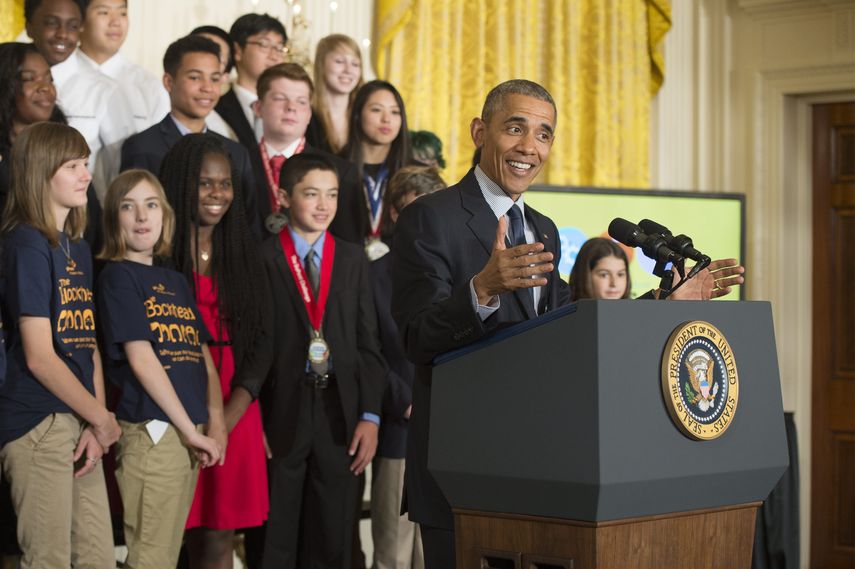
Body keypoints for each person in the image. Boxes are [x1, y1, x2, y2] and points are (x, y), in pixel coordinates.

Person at [390, 79, 747, 568]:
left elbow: (572, 327)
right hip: (462, 474)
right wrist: (482, 289)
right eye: (515, 128)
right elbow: (415, 336)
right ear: (479, 131)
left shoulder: (543, 228)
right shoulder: (430, 218)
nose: (528, 148)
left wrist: (664, 302)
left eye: (543, 135)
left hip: (539, 471)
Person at [0, 121, 121, 568]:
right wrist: (101, 417)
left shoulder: (77, 248)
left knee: (97, 559)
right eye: (72, 165)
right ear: (39, 172)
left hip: (77, 419)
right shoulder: (26, 243)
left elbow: (84, 343)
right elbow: (39, 356)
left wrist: (97, 423)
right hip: (37, 421)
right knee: (48, 560)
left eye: (86, 163)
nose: (86, 175)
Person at [259, 153, 386, 569]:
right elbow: (253, 346)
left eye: (331, 195)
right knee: (275, 535)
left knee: (334, 536)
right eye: (311, 194)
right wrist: (253, 421)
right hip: (281, 413)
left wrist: (371, 415)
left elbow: (369, 345)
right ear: (284, 196)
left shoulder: (351, 259)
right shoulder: (264, 258)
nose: (322, 205)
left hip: (341, 415)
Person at [97, 168, 226, 568]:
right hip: (155, 431)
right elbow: (141, 359)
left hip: (188, 430)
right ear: (113, 218)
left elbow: (201, 354)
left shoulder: (175, 280)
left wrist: (215, 419)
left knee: (166, 554)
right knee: (151, 557)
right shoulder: (118, 275)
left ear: (165, 215)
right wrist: (190, 430)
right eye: (128, 206)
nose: (141, 217)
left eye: (151, 205)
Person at [157, 134, 272, 569]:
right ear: (182, 184)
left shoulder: (244, 254)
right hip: (174, 403)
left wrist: (229, 414)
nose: (217, 194)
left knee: (220, 537)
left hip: (236, 404)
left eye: (225, 184)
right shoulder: (159, 252)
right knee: (167, 534)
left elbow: (264, 341)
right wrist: (202, 418)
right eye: (205, 183)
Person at [371, 166, 446, 569]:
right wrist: (406, 401)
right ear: (395, 215)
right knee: (393, 548)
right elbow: (367, 351)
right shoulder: (373, 276)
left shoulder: (459, 269)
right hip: (399, 426)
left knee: (438, 548)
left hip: (449, 428)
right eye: (416, 209)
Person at [119, 34, 261, 236]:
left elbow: (248, 227)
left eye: (214, 78)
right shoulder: (143, 147)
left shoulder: (235, 153)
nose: (207, 88)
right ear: (169, 82)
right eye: (195, 77)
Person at [0, 41, 103, 251]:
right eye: (30, 79)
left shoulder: (67, 151)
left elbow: (93, 228)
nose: (45, 87)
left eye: (49, 79)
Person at [24, 0, 134, 194]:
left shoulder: (104, 89)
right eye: (51, 23)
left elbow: (121, 167)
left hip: (82, 213)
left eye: (73, 26)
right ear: (29, 26)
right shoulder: (9, 77)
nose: (63, 34)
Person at [249, 63, 362, 240]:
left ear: (309, 114)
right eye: (280, 98)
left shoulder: (342, 172)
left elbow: (348, 247)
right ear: (258, 108)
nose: (291, 107)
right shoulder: (236, 164)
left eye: (301, 101)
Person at [339, 80, 413, 254]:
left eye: (395, 112)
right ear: (357, 114)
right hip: (345, 269)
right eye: (376, 109)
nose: (386, 119)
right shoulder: (334, 167)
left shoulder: (415, 173)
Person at [213, 13, 287, 152]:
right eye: (264, 45)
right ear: (238, 50)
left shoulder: (291, 108)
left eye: (279, 47)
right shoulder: (215, 108)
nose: (275, 56)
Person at [306, 34, 363, 155]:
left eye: (355, 64)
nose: (348, 70)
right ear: (321, 65)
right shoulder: (306, 115)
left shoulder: (363, 115)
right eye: (339, 61)